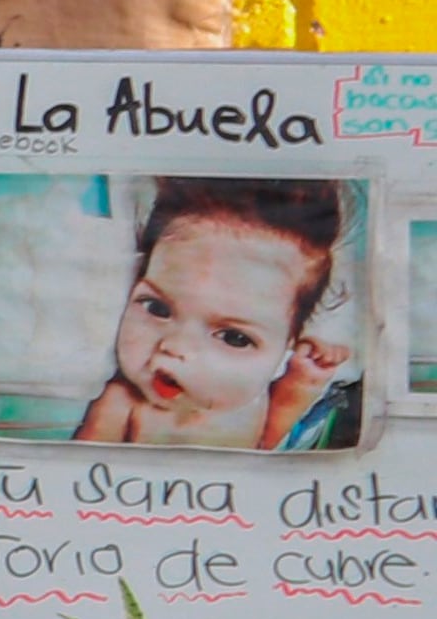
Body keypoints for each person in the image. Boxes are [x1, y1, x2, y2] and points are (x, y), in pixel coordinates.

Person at [69, 176, 358, 451]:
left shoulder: (251, 401)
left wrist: (300, 383)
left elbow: (264, 448)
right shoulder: (120, 404)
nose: (174, 347)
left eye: (234, 338)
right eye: (158, 308)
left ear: (285, 349)